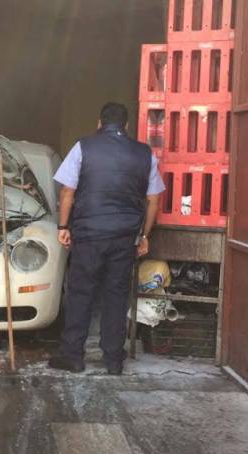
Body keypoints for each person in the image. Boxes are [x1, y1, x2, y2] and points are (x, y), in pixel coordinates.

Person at [49, 102, 165, 375]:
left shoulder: (83, 147)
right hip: (124, 237)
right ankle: (113, 360)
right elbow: (153, 200)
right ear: (127, 125)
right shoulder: (144, 154)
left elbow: (67, 192)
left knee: (81, 293)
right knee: (116, 295)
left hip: (89, 235)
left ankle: (73, 356)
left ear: (99, 123)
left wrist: (63, 226)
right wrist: (144, 235)